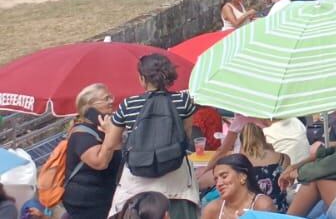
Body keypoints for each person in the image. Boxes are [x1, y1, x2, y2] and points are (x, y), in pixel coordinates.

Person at [104, 54, 200, 219]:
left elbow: (112, 144)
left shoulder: (128, 104)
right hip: (176, 177)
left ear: (142, 78)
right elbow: (186, 135)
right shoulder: (183, 101)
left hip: (138, 180)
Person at [62, 84, 122, 219]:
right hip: (86, 203)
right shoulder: (81, 134)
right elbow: (100, 163)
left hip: (104, 197)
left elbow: (118, 159)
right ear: (90, 106)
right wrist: (109, 134)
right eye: (106, 98)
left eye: (110, 97)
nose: (111, 101)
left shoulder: (103, 128)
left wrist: (113, 132)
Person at [198, 155, 274, 219]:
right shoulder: (212, 209)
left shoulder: (262, 205)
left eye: (224, 176)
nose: (218, 184)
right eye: (216, 180)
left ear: (243, 176)